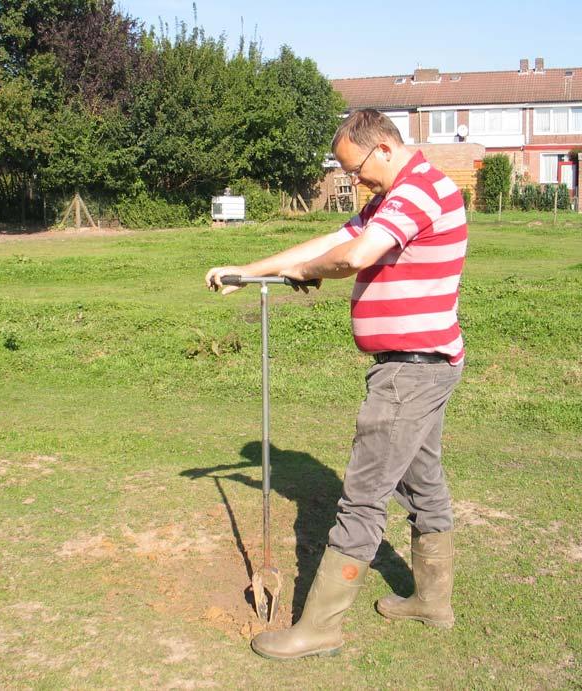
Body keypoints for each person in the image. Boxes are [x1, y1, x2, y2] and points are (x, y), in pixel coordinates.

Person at [205, 108, 468, 660]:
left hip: (410, 373)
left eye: (357, 169)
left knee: (363, 500)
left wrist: (312, 271)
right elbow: (334, 239)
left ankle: (321, 627)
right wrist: (249, 272)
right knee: (422, 486)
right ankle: (432, 600)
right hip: (422, 366)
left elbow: (354, 254)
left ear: (385, 148)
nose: (354, 181)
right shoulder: (393, 195)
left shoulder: (420, 190)